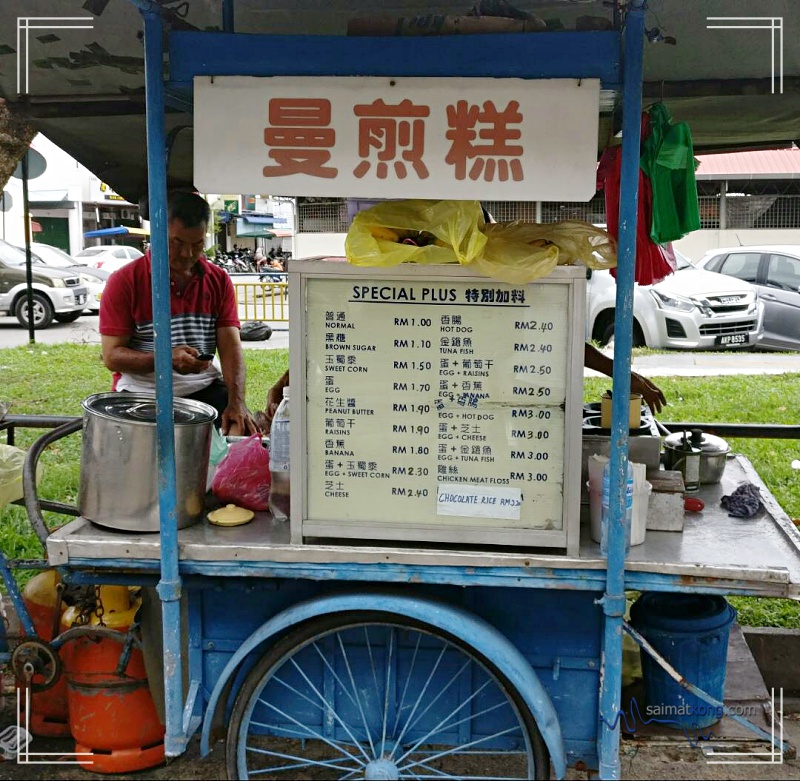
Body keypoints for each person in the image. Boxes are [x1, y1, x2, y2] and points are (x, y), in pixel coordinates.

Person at [99, 191, 259, 435]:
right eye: (177, 243)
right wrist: (166, 359)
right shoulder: (125, 281)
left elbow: (230, 348)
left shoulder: (218, 280)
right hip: (141, 394)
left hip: (205, 389)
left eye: (197, 245)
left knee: (239, 433)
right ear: (158, 233)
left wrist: (237, 402)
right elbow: (112, 357)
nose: (187, 254)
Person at [261, 346, 666, 431]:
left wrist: (617, 371)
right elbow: (330, 335)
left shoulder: (499, 279)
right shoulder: (396, 269)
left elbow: (565, 338)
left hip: (482, 417)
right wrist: (286, 380)